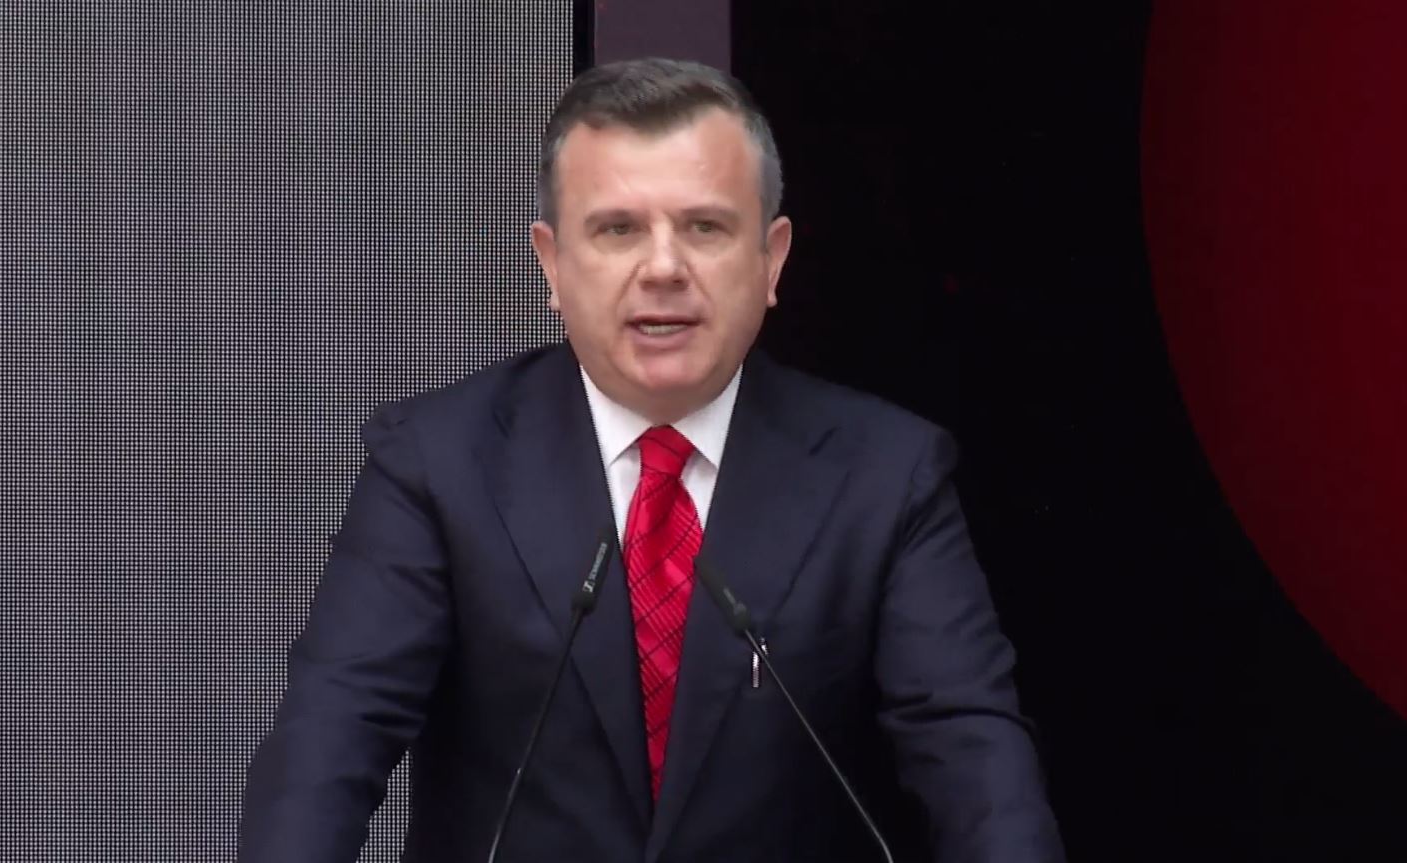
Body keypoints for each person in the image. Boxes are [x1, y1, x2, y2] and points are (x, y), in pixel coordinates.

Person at [239, 57, 1066, 863]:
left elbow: (972, 759)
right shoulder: (437, 462)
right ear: (552, 263)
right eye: (618, 229)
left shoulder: (886, 476)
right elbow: (331, 736)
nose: (663, 268)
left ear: (771, 259)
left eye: (704, 227)